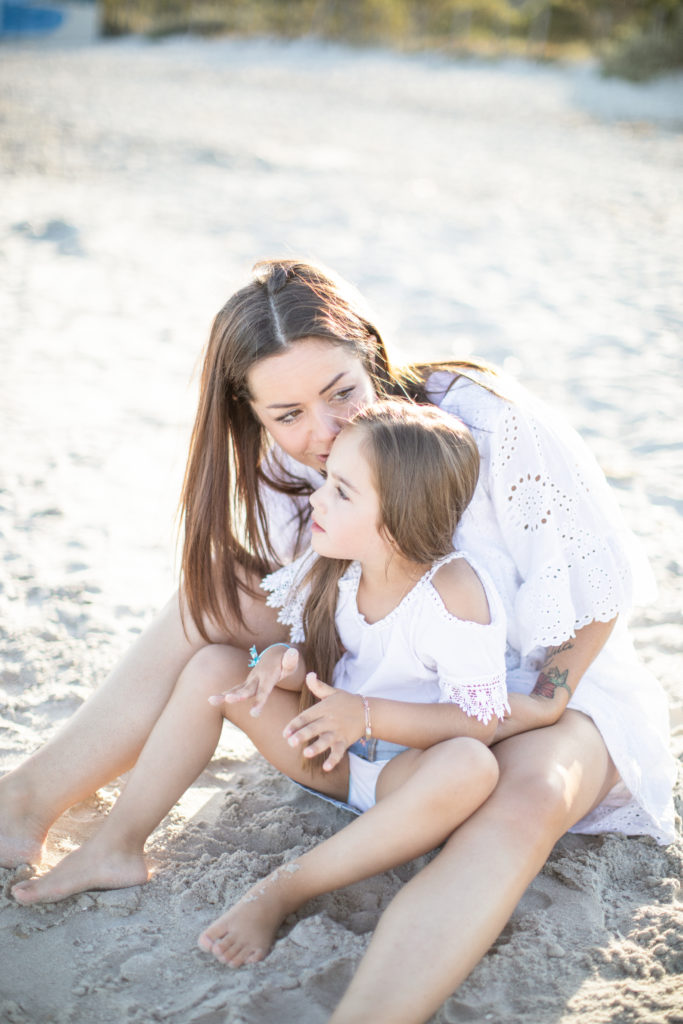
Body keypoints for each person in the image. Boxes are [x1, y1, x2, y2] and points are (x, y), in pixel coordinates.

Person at [1, 259, 675, 1024]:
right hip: (395, 684)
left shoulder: (483, 416)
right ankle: (25, 802)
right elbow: (333, 611)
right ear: (251, 412)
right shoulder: (294, 465)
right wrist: (296, 671)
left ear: (372, 357)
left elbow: (596, 582)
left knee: (525, 794)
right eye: (286, 414)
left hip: (541, 683)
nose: (322, 435)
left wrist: (540, 704)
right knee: (206, 606)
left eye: (343, 393)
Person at [195, 399, 509, 966]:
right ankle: (123, 837)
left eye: (342, 490)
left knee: (472, 764)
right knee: (215, 669)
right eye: (327, 480)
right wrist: (276, 661)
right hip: (329, 758)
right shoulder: (341, 562)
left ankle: (284, 889)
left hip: (403, 777)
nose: (317, 497)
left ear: (400, 514)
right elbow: (325, 661)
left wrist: (365, 716)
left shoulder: (453, 592)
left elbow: (482, 723)